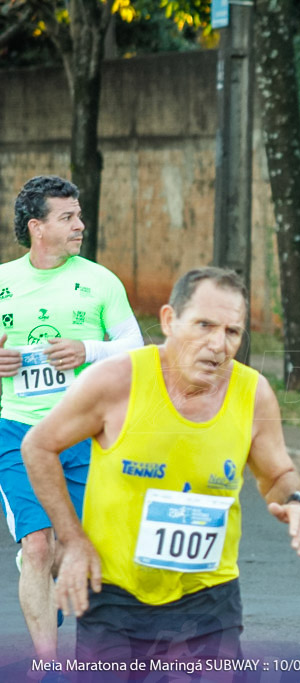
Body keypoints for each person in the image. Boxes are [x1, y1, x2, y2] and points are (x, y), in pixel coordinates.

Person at [21, 267, 300, 674]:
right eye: (204, 325)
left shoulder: (253, 393)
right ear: (168, 321)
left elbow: (278, 474)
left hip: (208, 596)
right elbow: (39, 445)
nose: (218, 344)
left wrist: (297, 501)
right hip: (115, 595)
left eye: (233, 332)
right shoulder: (116, 382)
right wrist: (72, 540)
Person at [0, 175, 143, 661]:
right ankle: (50, 666)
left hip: (85, 432)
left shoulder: (101, 281)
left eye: (78, 215)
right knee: (39, 546)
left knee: (74, 545)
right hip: (18, 430)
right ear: (37, 227)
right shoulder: (3, 283)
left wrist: (89, 349)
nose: (80, 225)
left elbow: (135, 348)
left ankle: (49, 580)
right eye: (68, 217)